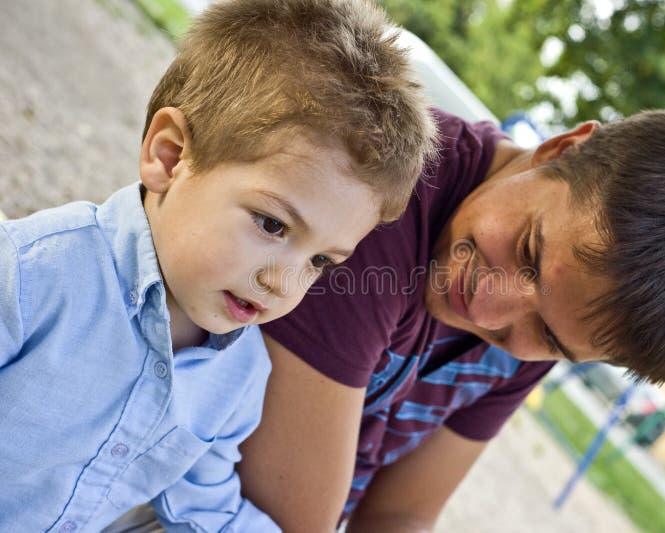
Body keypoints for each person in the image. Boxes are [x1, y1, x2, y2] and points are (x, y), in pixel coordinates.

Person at [238, 107, 665, 531]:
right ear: (561, 149)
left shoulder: (551, 329)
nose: (485, 308)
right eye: (529, 252)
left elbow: (401, 512)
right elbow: (288, 515)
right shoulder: (382, 195)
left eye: (549, 337)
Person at [0, 0, 435, 530]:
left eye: (321, 260)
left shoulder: (239, 377)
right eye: (273, 225)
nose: (284, 282)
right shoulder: (35, 274)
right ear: (170, 157)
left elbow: (207, 507)